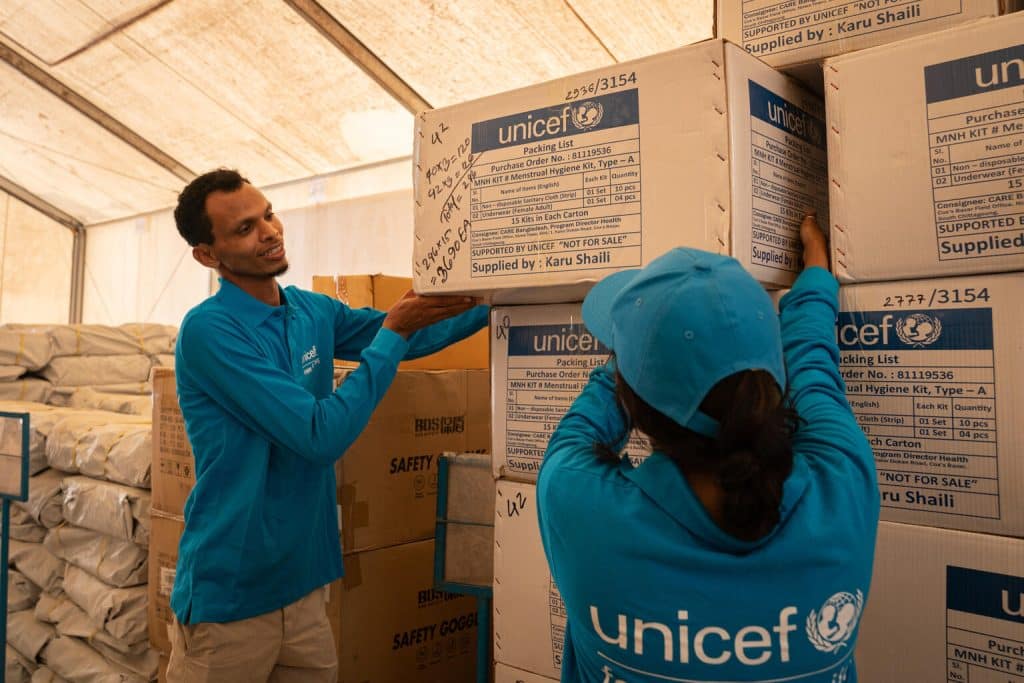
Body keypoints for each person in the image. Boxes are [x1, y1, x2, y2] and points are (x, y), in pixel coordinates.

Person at [166, 169, 487, 682]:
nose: (269, 231)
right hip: (232, 595)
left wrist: (497, 298)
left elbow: (411, 337)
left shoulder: (309, 312)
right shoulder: (211, 331)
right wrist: (394, 331)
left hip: (305, 581)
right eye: (245, 228)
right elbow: (320, 436)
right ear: (209, 255)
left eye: (268, 213)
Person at [537, 214, 879, 683]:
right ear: (771, 376)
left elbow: (584, 427)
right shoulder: (843, 488)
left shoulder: (577, 504)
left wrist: (640, 342)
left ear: (633, 403)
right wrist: (817, 270)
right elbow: (812, 363)